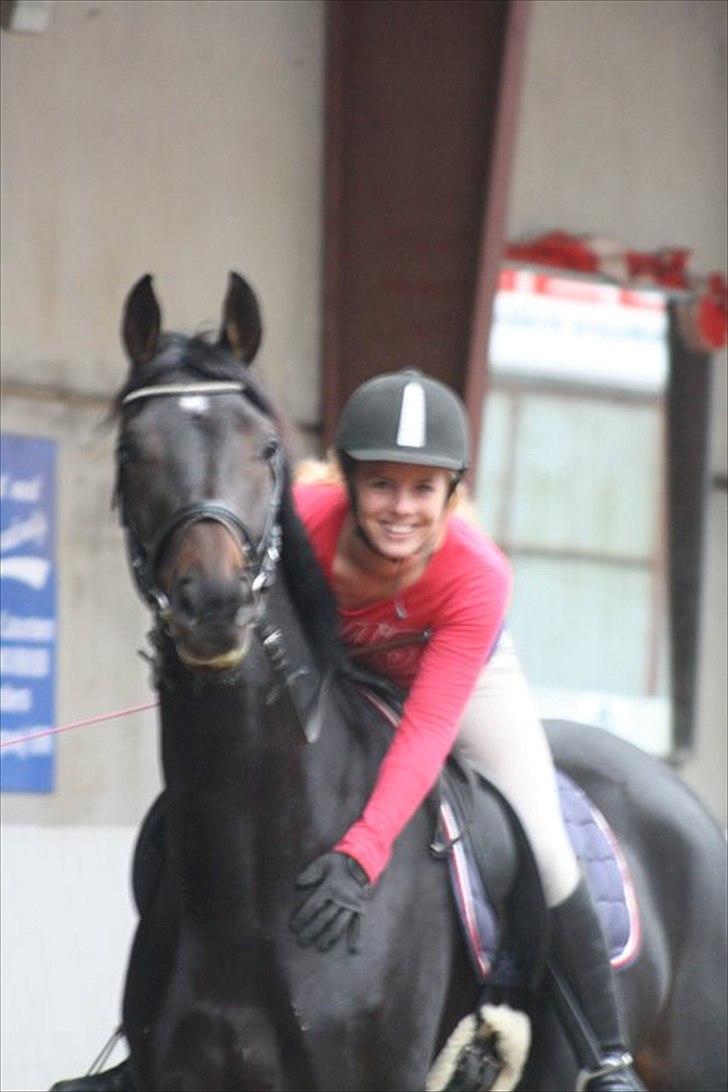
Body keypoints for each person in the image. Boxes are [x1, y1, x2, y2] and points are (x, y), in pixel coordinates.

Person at [54, 371, 644, 1092]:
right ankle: (149, 1044)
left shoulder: (478, 574)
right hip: (340, 669)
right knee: (190, 823)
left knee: (546, 844)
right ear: (348, 480)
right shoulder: (298, 517)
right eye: (382, 485)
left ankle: (603, 1057)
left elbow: (427, 730)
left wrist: (363, 852)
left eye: (423, 490)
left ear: (451, 493)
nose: (401, 509)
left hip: (460, 683)